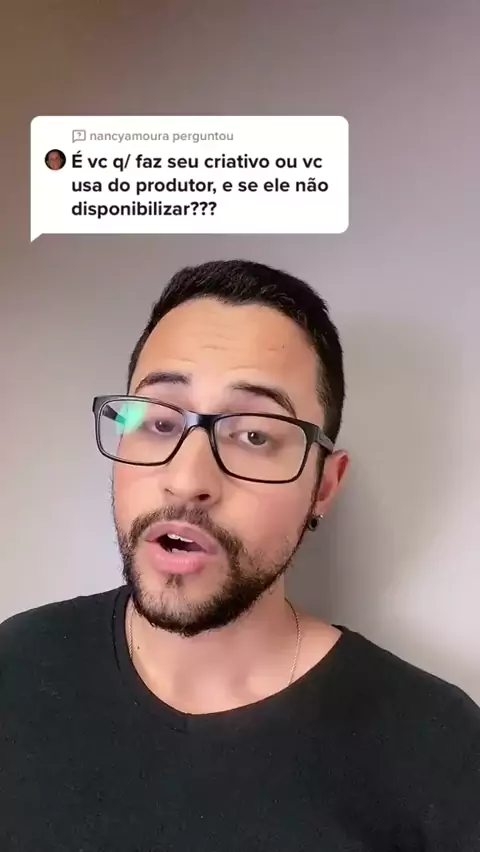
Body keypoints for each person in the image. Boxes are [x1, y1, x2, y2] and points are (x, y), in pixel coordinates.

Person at [1, 259, 479, 851]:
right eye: (158, 421)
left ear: (324, 487)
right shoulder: (18, 666)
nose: (186, 480)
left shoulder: (437, 749)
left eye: (254, 434)